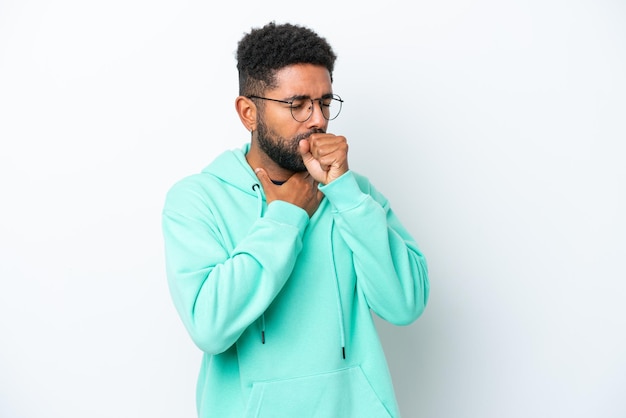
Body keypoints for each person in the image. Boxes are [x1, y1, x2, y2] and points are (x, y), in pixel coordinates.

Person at [161, 21, 429, 418]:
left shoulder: (355, 194)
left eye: (324, 102)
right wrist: (286, 217)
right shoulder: (197, 200)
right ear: (248, 112)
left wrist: (347, 195)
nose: (317, 119)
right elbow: (210, 327)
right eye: (297, 104)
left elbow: (405, 304)